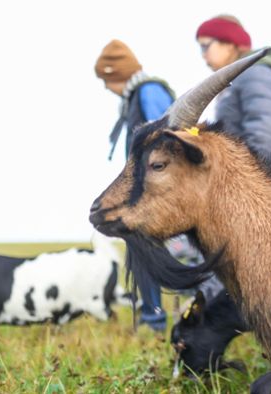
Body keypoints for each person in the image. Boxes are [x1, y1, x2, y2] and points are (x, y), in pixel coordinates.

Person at [94, 39, 173, 331]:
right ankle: (153, 317)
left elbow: (166, 136)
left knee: (144, 246)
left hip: (156, 190)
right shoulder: (138, 94)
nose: (106, 87)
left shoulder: (148, 92)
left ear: (117, 75)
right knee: (142, 247)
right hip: (147, 188)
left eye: (107, 80)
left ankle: (155, 321)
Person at [196, 15, 271, 167]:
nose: (203, 54)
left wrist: (245, 172)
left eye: (205, 46)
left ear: (229, 44)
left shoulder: (256, 73)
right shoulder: (237, 79)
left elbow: (264, 132)